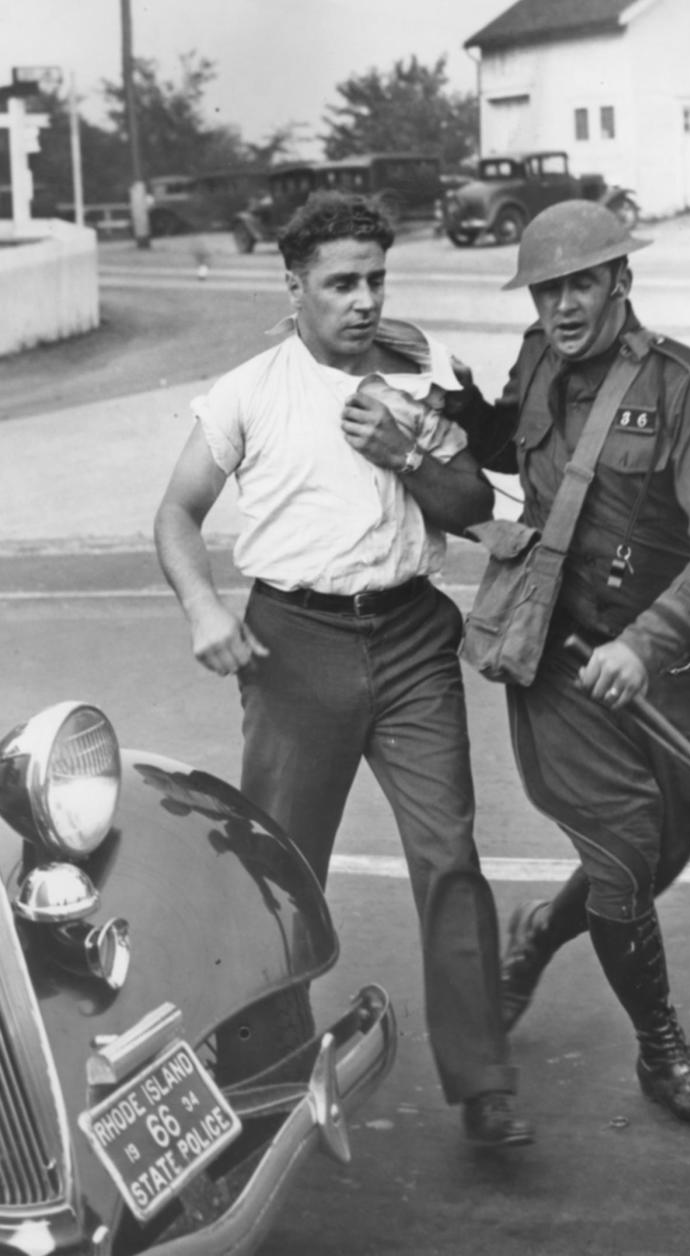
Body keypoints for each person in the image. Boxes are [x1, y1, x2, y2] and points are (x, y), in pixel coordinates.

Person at [153, 192, 533, 1149]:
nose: (363, 301)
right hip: (294, 643)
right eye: (340, 283)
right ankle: (257, 1078)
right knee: (279, 876)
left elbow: (472, 509)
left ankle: (484, 1083)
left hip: (411, 638)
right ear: (294, 287)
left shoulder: (423, 373)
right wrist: (204, 607)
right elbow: (176, 516)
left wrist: (411, 447)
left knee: (450, 859)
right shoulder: (247, 392)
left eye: (376, 279)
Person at [450, 200, 690, 1132]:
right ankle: (661, 1050)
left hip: (649, 650)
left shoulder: (685, 386)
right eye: (547, 290)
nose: (562, 308)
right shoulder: (539, 355)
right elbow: (518, 444)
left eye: (580, 283)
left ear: (621, 280)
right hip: (553, 650)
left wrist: (647, 644)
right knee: (626, 845)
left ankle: (544, 932)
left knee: (686, 819)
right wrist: (465, 410)